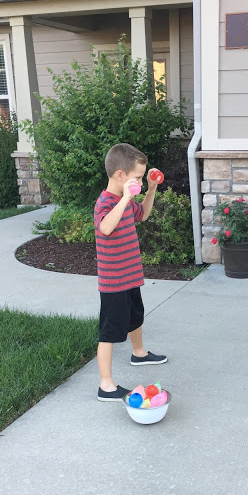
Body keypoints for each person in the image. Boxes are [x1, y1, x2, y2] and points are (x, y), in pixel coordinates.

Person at [94, 143, 167, 401]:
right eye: (137, 177)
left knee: (136, 316)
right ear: (120, 176)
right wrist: (125, 197)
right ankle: (106, 385)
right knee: (110, 333)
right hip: (113, 284)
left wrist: (151, 188)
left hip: (130, 277)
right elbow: (105, 227)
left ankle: (139, 353)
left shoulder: (127, 202)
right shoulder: (106, 202)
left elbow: (143, 215)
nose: (138, 181)